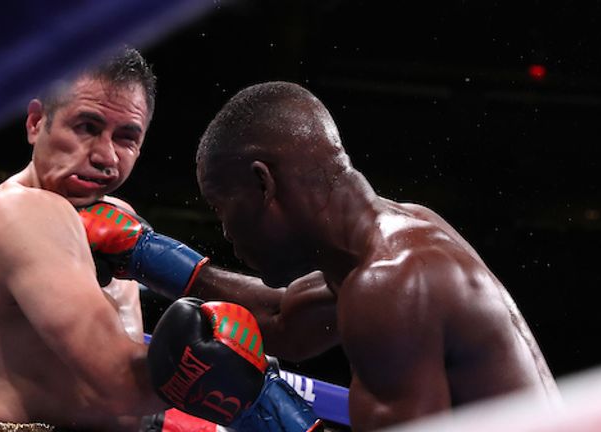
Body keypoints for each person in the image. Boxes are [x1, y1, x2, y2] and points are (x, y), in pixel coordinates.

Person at [83, 80, 559, 432]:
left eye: (222, 208)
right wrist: (145, 253)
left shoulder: (390, 285)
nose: (225, 230)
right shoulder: (399, 238)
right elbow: (282, 318)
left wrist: (261, 410)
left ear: (263, 184)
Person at [0, 47, 321, 432]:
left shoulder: (118, 218)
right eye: (86, 127)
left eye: (126, 137)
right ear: (36, 121)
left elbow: (131, 405)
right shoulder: (17, 210)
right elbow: (118, 383)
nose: (105, 155)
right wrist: (243, 388)